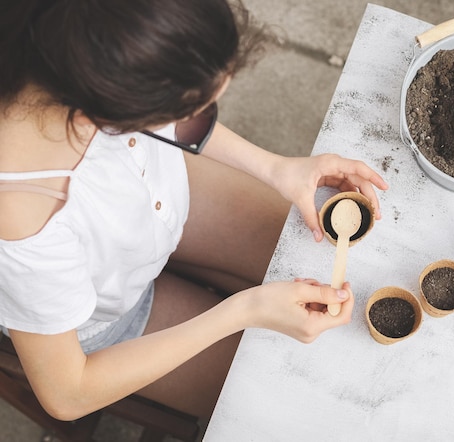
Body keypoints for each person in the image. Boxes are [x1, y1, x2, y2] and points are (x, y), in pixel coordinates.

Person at [0, 0, 388, 421]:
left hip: (160, 194)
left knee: (341, 264)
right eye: (184, 112)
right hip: (113, 318)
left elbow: (165, 109)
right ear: (110, 108)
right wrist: (243, 311)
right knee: (301, 398)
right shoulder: (21, 220)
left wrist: (276, 167)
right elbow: (67, 393)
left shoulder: (83, 40)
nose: (190, 122)